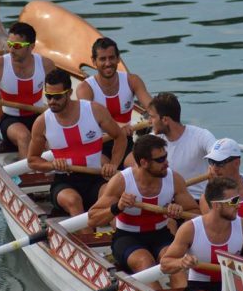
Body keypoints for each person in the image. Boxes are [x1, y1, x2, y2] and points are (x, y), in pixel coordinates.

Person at [87, 134, 199, 289]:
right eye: (160, 160)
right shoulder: (122, 181)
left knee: (177, 269)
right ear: (144, 163)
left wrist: (179, 211)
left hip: (161, 235)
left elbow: (196, 213)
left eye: (165, 157)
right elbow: (92, 219)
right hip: (128, 238)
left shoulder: (174, 179)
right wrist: (117, 207)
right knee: (145, 262)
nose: (166, 163)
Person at [27, 68, 126, 233]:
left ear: (69, 93)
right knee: (74, 201)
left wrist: (114, 164)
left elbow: (120, 137)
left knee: (109, 200)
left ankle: (121, 239)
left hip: (95, 177)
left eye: (57, 97)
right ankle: (87, 248)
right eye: (48, 96)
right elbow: (32, 160)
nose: (52, 101)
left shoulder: (94, 110)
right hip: (65, 183)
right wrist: (52, 165)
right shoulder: (42, 122)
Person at [160, 177, 243, 291]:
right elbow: (165, 264)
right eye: (233, 201)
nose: (238, 205)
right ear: (216, 205)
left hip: (233, 285)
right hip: (200, 288)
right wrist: (181, 262)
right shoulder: (190, 229)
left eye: (238, 199)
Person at [0, 22, 56, 159]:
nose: (12, 50)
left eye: (17, 46)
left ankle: (56, 173)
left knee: (52, 137)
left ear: (31, 47)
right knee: (24, 136)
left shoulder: (46, 65)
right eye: (9, 44)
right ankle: (27, 176)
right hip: (11, 119)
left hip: (39, 115)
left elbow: (61, 92)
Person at [76, 37, 152, 167]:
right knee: (106, 174)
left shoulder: (132, 81)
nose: (108, 63)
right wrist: (118, 126)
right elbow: (89, 119)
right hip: (97, 145)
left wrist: (159, 114)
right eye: (102, 59)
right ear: (94, 62)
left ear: (118, 59)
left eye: (111, 58)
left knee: (141, 167)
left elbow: (151, 106)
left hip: (125, 141)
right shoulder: (85, 88)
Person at [143, 92, 216, 201]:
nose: (149, 121)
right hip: (168, 202)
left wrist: (215, 165)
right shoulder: (153, 140)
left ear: (165, 120)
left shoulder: (201, 136)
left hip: (197, 201)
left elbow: (219, 154)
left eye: (152, 117)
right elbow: (132, 160)